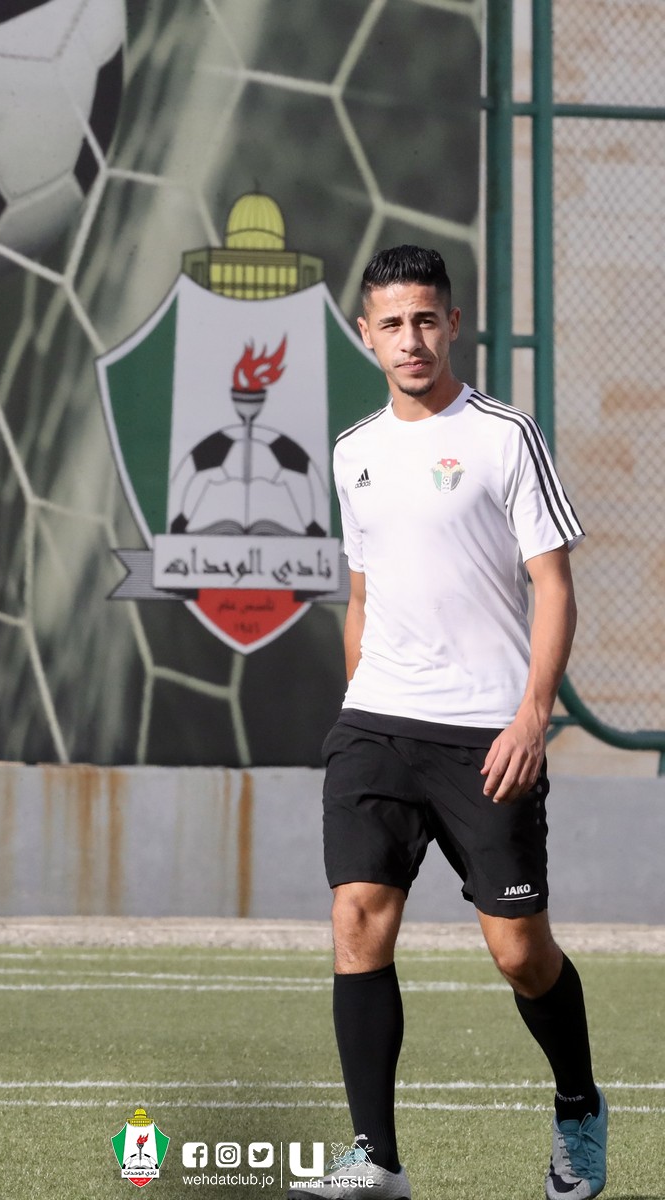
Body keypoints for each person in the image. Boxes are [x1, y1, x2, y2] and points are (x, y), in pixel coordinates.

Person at [287, 246, 606, 1200]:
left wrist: (532, 716)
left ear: (452, 324)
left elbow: (554, 586)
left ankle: (579, 1105)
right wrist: (358, 702)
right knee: (358, 920)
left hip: (486, 737)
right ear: (366, 336)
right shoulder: (353, 451)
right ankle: (376, 1161)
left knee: (519, 953)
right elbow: (361, 593)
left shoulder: (506, 436)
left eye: (426, 319)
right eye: (392, 324)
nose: (411, 339)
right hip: (376, 726)